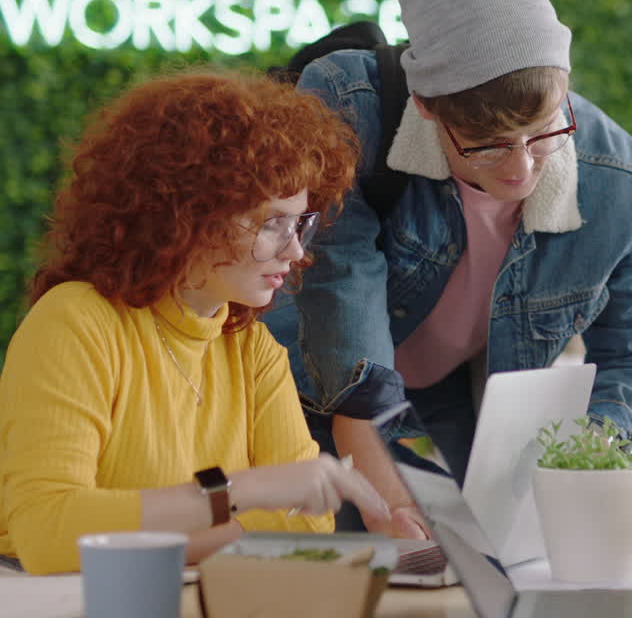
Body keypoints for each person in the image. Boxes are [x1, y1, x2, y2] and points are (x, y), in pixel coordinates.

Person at [261, 0, 632, 539]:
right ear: (427, 107)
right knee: (363, 536)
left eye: (542, 134)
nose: (520, 170)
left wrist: (590, 443)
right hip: (312, 375)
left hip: (457, 388)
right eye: (487, 143)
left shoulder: (624, 185)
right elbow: (337, 281)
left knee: (489, 546)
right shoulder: (352, 104)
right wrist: (388, 501)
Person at [0, 70, 389, 575]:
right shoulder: (75, 321)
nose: (295, 251)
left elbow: (305, 526)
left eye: (299, 224)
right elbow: (50, 533)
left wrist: (153, 538)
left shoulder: (251, 347)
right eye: (272, 223)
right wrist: (241, 493)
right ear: (187, 216)